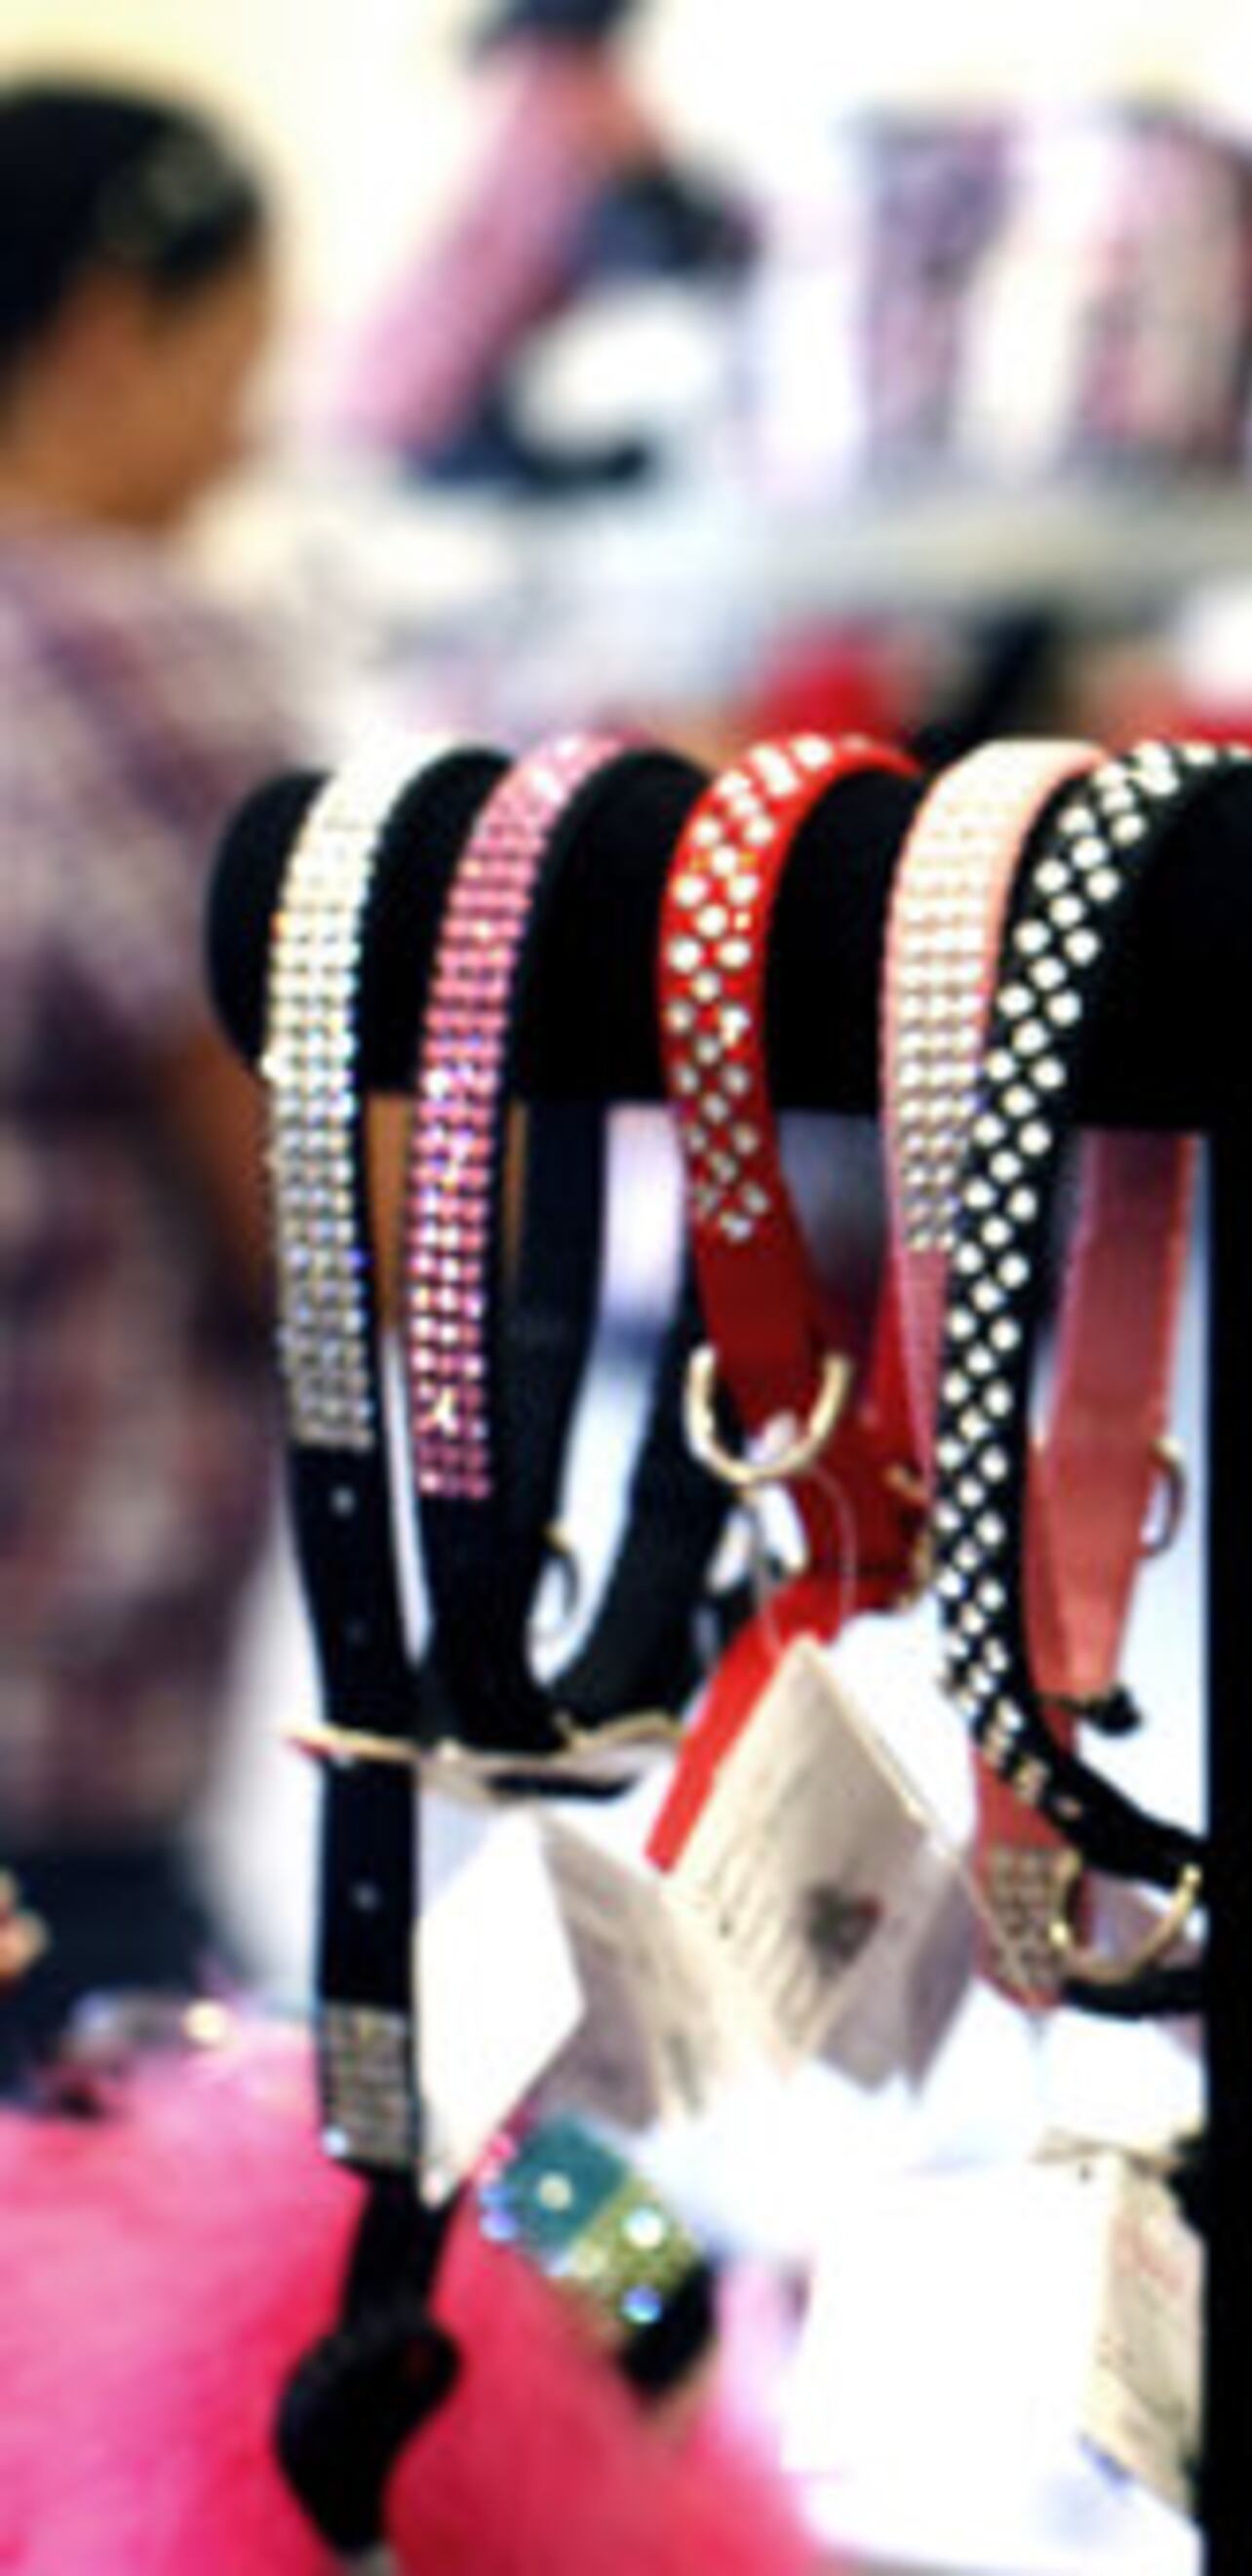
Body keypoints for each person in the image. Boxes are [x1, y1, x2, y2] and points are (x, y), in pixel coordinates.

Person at [0, 83, 293, 2083]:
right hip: (57, 1723)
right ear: (116, 323)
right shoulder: (122, 642)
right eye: (235, 362)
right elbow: (341, 1228)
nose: (249, 434)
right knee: (250, 2163)